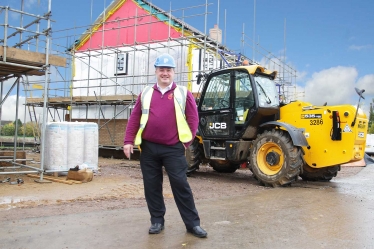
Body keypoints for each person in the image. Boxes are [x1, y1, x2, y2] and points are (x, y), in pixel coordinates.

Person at [123, 53, 207, 238]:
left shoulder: (183, 93)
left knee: (181, 185)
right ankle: (157, 221)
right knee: (152, 186)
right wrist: (128, 141)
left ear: (173, 72)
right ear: (156, 71)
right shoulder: (145, 93)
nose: (165, 73)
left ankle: (193, 224)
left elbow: (193, 119)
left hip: (173, 148)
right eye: (161, 69)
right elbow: (135, 117)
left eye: (168, 70)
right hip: (149, 148)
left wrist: (186, 142)